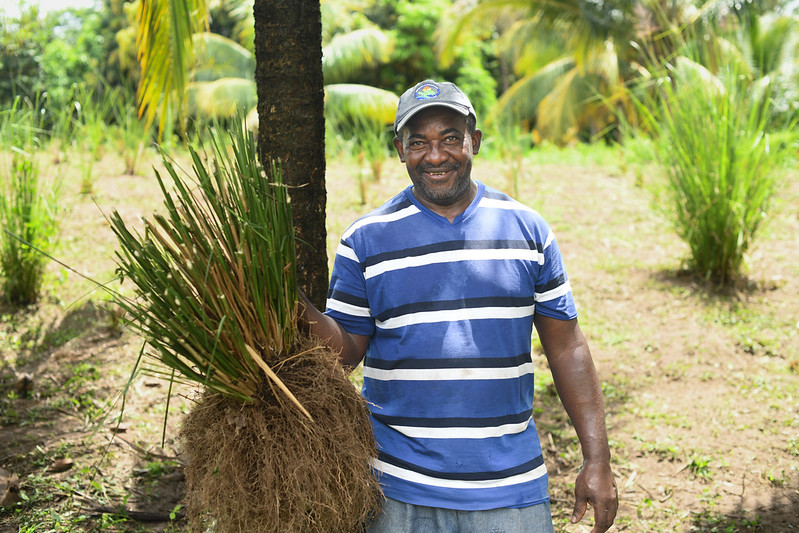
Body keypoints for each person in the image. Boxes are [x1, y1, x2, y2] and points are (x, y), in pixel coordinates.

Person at [301, 79, 618, 532]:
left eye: (451, 138)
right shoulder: (365, 240)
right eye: (419, 143)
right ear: (399, 150)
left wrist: (597, 460)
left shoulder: (528, 231)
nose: (436, 156)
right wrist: (292, 305)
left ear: (475, 141)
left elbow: (567, 347)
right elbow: (343, 354)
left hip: (509, 487)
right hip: (396, 489)